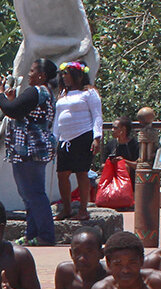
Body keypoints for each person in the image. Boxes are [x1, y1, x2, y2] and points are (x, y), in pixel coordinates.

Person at [0, 58, 58, 246]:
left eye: (32, 71)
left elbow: (11, 110)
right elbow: (21, 111)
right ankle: (32, 234)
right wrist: (12, 100)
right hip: (29, 148)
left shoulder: (36, 91)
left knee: (34, 193)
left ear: (41, 75)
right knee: (28, 194)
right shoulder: (45, 93)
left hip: (30, 148)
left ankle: (46, 235)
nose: (29, 74)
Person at [54, 61, 102, 221]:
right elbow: (57, 119)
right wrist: (54, 138)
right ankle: (66, 208)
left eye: (67, 74)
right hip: (64, 139)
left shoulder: (89, 93)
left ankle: (83, 209)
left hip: (83, 135)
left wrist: (97, 137)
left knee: (82, 173)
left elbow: (97, 115)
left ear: (79, 76)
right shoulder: (63, 94)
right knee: (62, 174)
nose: (64, 77)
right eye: (63, 75)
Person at [101, 116, 140, 180]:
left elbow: (137, 165)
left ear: (124, 129)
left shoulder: (134, 145)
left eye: (115, 128)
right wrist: (110, 162)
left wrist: (123, 161)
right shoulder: (110, 144)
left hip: (130, 179)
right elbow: (103, 165)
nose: (112, 130)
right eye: (112, 127)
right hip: (112, 177)